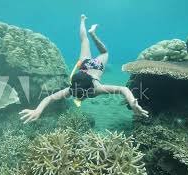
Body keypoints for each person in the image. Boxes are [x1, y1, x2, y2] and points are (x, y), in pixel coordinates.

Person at [19, 14, 149, 124]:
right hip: (87, 67)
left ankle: (84, 23)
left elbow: (50, 98)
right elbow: (123, 89)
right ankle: (89, 29)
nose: (79, 97)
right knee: (93, 46)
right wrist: (132, 103)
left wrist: (38, 110)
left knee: (93, 46)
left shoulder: (91, 89)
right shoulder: (77, 89)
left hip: (89, 66)